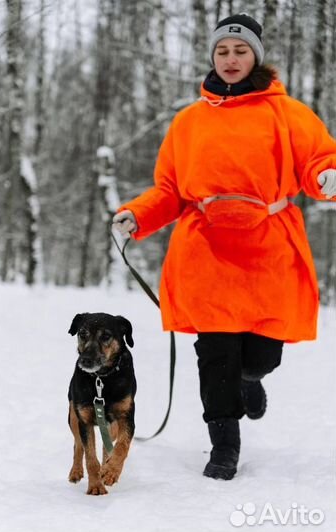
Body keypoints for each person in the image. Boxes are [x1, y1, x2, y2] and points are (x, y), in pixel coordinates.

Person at [112, 13, 336, 480]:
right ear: (212, 57)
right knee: (214, 354)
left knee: (259, 357)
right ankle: (224, 445)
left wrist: (326, 177)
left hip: (269, 247)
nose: (230, 59)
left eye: (239, 51)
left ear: (255, 55)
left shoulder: (288, 113)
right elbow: (170, 189)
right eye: (222, 51)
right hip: (205, 249)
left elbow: (320, 159)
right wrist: (138, 215)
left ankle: (250, 379)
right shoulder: (189, 121)